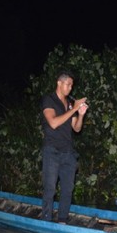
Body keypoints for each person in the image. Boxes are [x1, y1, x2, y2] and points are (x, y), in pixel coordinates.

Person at [41, 70, 89, 222]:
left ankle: (62, 220)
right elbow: (53, 123)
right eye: (68, 85)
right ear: (59, 83)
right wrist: (74, 109)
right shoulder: (49, 100)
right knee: (50, 189)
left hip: (68, 152)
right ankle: (46, 220)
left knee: (68, 189)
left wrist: (80, 114)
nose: (70, 89)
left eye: (71, 86)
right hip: (52, 151)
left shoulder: (69, 103)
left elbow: (77, 128)